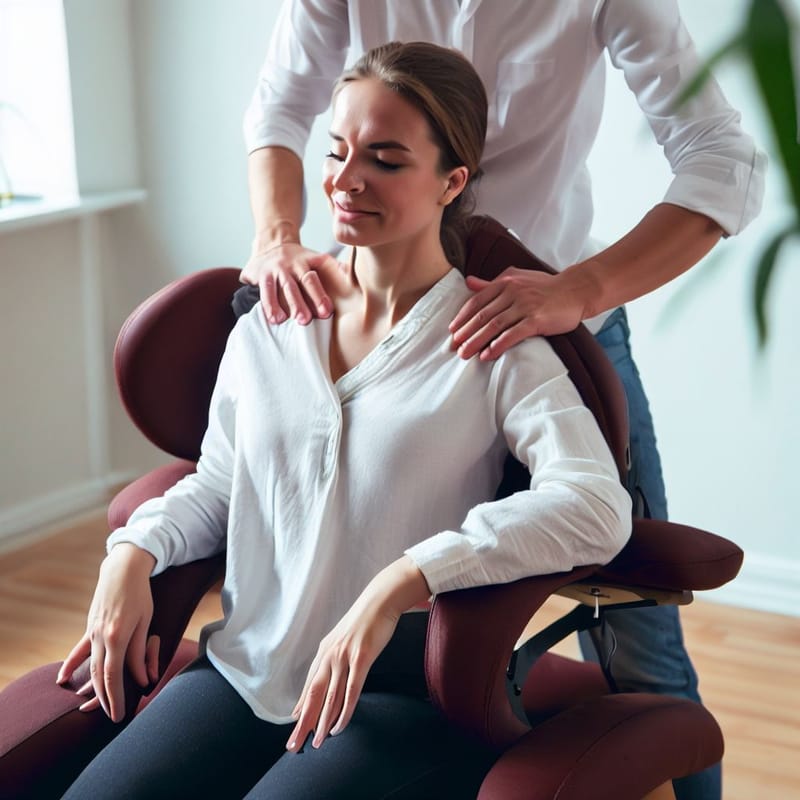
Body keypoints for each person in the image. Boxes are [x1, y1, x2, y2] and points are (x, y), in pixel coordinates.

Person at [56, 42, 631, 799]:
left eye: (387, 160)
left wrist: (405, 577)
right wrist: (131, 553)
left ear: (451, 182)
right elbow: (224, 485)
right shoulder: (274, 319)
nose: (345, 180)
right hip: (244, 671)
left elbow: (595, 505)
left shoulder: (493, 342)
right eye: (336, 150)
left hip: (392, 696)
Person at [240, 4, 766, 798]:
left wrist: (582, 288)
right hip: (393, 335)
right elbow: (281, 104)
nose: (350, 172)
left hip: (553, 328)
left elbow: (722, 156)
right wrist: (278, 233)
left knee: (641, 648)